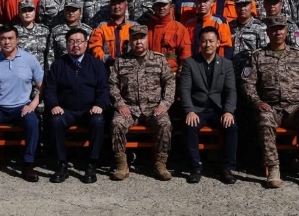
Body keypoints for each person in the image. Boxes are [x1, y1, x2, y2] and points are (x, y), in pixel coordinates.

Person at [241, 15, 299, 190]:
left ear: (286, 31)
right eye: (274, 29)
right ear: (268, 32)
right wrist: (257, 102)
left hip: (295, 108)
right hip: (271, 108)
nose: (278, 32)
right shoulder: (257, 56)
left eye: (281, 29)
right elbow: (248, 84)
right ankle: (273, 168)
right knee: (264, 120)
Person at [0, 25, 45, 182]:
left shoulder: (30, 60)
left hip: (21, 107)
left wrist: (32, 105)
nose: (7, 42)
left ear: (17, 40)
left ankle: (28, 164)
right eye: (3, 38)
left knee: (33, 121)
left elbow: (43, 87)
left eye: (10, 38)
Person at [42, 28, 109, 184]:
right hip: (67, 110)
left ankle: (91, 164)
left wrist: (99, 104)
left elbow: (104, 90)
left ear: (86, 44)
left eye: (79, 41)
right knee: (56, 120)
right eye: (71, 41)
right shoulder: (58, 65)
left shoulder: (97, 65)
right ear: (66, 44)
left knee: (98, 121)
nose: (75, 45)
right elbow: (50, 89)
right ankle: (62, 163)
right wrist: (53, 105)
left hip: (89, 110)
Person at [108, 25, 175, 181]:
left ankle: (160, 163)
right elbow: (112, 85)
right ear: (130, 41)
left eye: (142, 38)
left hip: (154, 108)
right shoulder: (121, 61)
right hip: (129, 108)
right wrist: (119, 104)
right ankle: (121, 164)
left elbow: (170, 82)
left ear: (148, 39)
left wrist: (165, 104)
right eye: (135, 38)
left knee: (165, 124)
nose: (139, 42)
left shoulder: (159, 60)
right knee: (117, 123)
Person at [178, 27, 239, 184]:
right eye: (204, 41)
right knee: (189, 126)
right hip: (198, 109)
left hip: (218, 109)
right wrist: (189, 111)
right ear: (199, 43)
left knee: (231, 127)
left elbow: (231, 91)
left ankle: (227, 168)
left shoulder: (226, 64)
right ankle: (195, 167)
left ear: (218, 43)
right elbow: (184, 90)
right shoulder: (190, 63)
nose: (207, 44)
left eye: (211, 41)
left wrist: (228, 111)